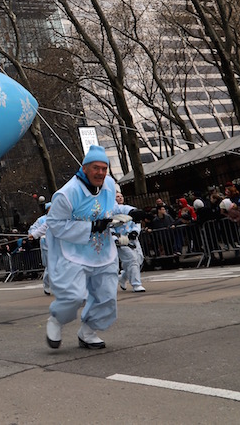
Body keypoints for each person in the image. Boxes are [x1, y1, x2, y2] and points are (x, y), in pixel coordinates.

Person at [44, 146, 141, 350]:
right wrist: (90, 227)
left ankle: (88, 332)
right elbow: (55, 223)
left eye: (104, 168)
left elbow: (110, 209)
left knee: (106, 297)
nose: (100, 173)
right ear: (85, 168)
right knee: (73, 297)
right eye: (96, 168)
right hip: (74, 253)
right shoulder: (67, 193)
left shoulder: (108, 184)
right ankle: (56, 320)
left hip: (103, 252)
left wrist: (131, 211)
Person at [114, 193, 145, 293]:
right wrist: (115, 238)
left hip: (133, 239)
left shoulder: (130, 210)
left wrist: (135, 231)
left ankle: (123, 277)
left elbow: (136, 221)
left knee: (139, 259)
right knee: (132, 260)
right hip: (122, 240)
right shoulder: (110, 211)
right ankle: (136, 284)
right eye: (117, 196)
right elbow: (108, 227)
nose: (120, 198)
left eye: (121, 196)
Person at [28, 202, 52, 295]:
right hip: (46, 245)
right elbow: (34, 229)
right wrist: (33, 235)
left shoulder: (59, 217)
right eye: (50, 209)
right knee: (50, 267)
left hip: (58, 245)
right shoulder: (42, 220)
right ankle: (47, 286)